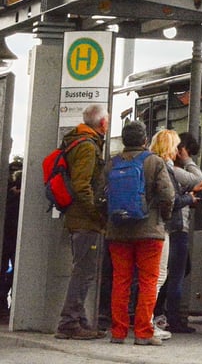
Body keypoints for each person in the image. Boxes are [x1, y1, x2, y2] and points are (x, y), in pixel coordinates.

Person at [105, 121, 174, 346]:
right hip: (149, 232)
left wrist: (110, 219)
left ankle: (118, 332)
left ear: (124, 140)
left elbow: (99, 195)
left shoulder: (112, 163)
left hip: (118, 232)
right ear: (145, 140)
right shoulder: (155, 162)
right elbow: (167, 195)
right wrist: (163, 218)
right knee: (148, 281)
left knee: (121, 282)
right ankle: (143, 332)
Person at [54, 104, 108, 341]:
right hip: (85, 220)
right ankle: (69, 323)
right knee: (83, 273)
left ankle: (81, 321)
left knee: (84, 271)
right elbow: (82, 185)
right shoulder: (87, 146)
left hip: (77, 218)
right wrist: (97, 214)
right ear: (103, 124)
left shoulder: (76, 141)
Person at [150, 129, 202, 335]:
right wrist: (187, 161)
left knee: (166, 274)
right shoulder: (172, 170)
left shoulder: (156, 166)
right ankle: (169, 317)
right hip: (175, 227)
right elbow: (199, 180)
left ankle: (157, 314)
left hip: (164, 227)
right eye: (181, 150)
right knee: (172, 275)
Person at [1, 159, 22, 316]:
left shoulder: (8, 191)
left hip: (10, 234)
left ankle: (4, 304)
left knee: (10, 269)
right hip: (13, 234)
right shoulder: (13, 195)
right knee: (15, 269)